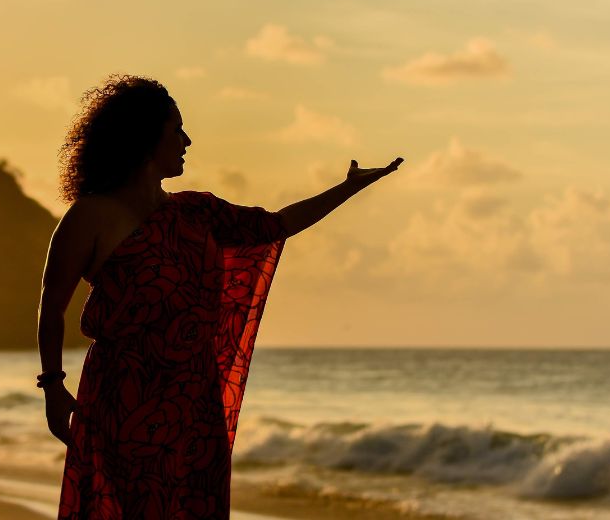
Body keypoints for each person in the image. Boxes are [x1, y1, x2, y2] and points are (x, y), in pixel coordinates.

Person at [36, 74, 402, 518]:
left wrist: (350, 187)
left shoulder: (196, 211)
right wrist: (53, 388)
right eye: (176, 130)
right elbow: (51, 307)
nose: (187, 140)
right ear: (144, 137)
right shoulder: (90, 217)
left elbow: (276, 225)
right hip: (126, 398)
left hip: (195, 401)